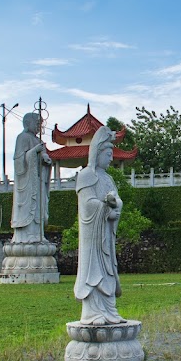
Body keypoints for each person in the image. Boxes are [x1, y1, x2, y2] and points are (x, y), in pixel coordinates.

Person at [74, 126, 124, 325]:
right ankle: (92, 313)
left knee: (108, 270)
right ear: (98, 152)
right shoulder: (86, 175)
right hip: (93, 236)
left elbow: (118, 201)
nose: (111, 158)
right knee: (93, 272)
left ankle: (110, 311)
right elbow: (87, 205)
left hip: (106, 235)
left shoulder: (108, 178)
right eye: (108, 154)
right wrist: (105, 207)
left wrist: (114, 204)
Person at [10, 112, 52, 243]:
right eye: (37, 123)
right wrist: (34, 152)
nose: (39, 126)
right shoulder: (22, 137)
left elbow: (42, 159)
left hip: (38, 181)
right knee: (29, 207)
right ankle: (26, 236)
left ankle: (38, 234)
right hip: (27, 183)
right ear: (28, 123)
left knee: (39, 207)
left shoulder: (38, 140)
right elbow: (19, 162)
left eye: (40, 124)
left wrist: (46, 160)